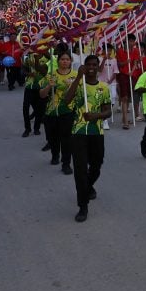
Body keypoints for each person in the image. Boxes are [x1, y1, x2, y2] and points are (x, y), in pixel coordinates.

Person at [64, 55, 112, 223]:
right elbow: (66, 101)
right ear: (84, 66)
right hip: (78, 132)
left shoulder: (104, 87)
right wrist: (78, 77)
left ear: (98, 67)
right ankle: (83, 206)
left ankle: (88, 186)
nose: (91, 67)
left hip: (96, 133)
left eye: (94, 64)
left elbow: (108, 111)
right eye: (88, 64)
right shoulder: (78, 86)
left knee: (97, 165)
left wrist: (96, 115)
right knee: (80, 170)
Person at [40, 51, 78, 174]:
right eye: (62, 59)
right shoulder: (50, 75)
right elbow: (42, 95)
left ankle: (66, 163)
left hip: (68, 110)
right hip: (51, 111)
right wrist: (49, 87)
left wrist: (71, 87)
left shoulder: (75, 75)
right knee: (52, 137)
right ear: (58, 61)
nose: (65, 61)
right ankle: (55, 155)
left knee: (67, 138)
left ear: (70, 61)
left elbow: (80, 95)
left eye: (67, 59)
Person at [116, 34, 141, 129]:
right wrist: (126, 62)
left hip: (132, 75)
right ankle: (125, 122)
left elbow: (135, 63)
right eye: (129, 41)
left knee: (129, 97)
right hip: (122, 75)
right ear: (126, 41)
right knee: (124, 97)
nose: (131, 43)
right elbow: (118, 64)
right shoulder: (120, 51)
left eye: (132, 41)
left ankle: (124, 117)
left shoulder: (135, 51)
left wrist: (132, 71)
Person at [22, 52, 48, 138]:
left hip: (41, 87)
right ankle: (27, 129)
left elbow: (45, 72)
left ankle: (36, 128)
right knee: (25, 107)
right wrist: (28, 74)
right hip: (29, 86)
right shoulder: (29, 57)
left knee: (39, 110)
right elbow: (23, 71)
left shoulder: (47, 58)